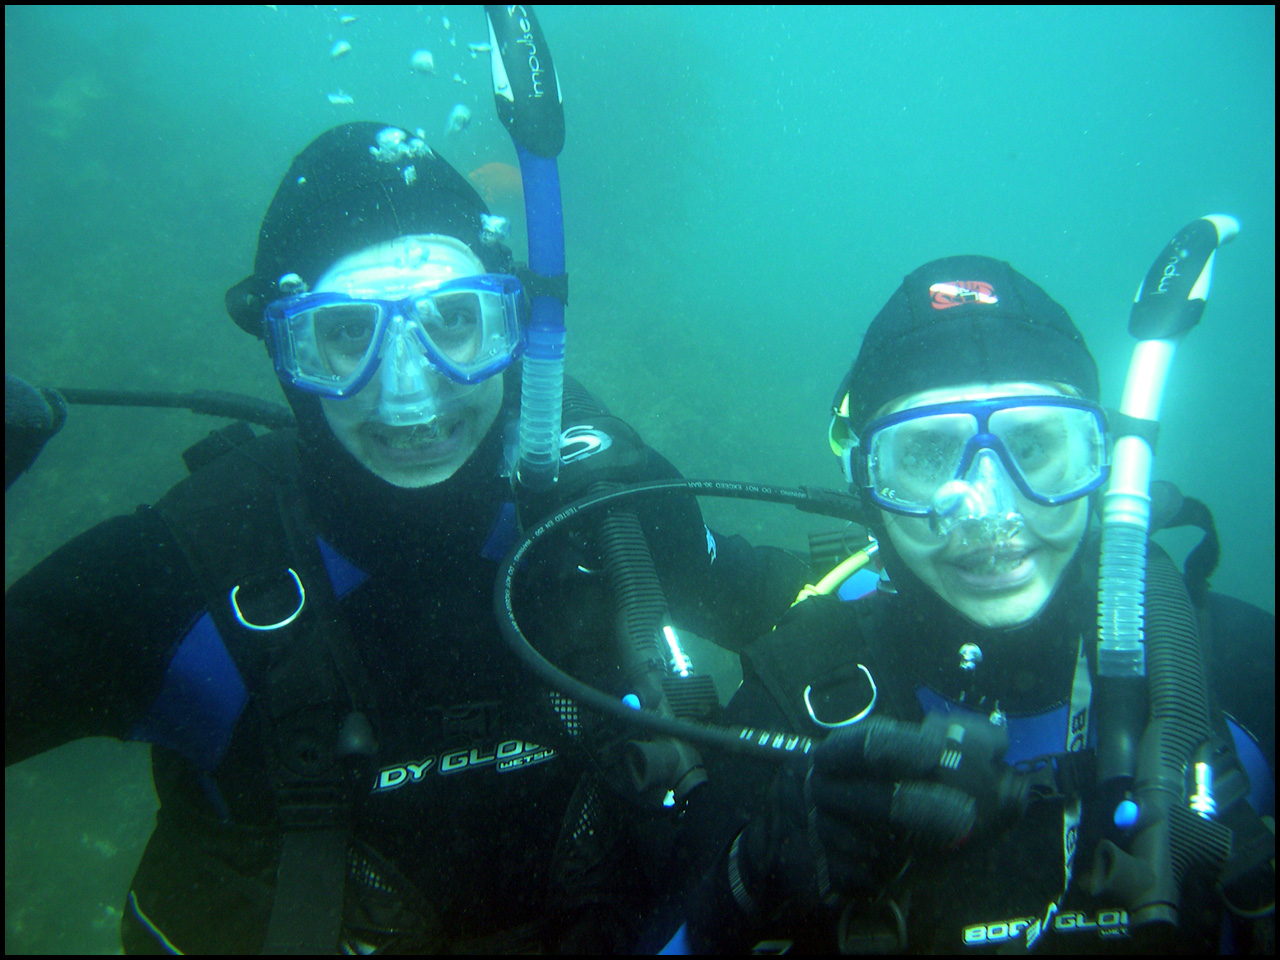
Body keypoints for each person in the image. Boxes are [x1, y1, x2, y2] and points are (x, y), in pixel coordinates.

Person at [4, 122, 807, 954]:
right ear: (287, 351)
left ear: (511, 327)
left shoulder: (604, 514)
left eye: (452, 319)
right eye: (348, 332)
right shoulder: (186, 571)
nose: (410, 393)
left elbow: (802, 607)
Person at [680, 256, 1275, 953]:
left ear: (1101, 461)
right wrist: (748, 882)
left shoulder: (1237, 668)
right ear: (867, 483)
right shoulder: (786, 714)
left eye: (1033, 444)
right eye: (930, 455)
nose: (990, 511)